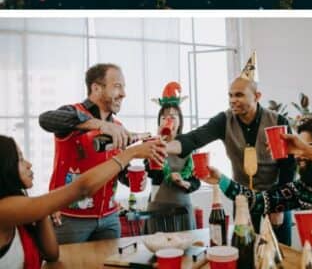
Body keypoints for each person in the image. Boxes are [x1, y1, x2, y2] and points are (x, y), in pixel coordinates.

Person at [204, 115, 312, 269]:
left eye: (302, 147)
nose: (296, 155)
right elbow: (256, 201)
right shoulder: (302, 188)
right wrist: (221, 179)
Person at [164, 53, 296, 244]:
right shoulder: (224, 120)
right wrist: (165, 146)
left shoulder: (278, 121)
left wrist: (279, 207)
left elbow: (288, 168)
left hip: (275, 199)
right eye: (230, 95)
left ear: (257, 96)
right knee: (245, 252)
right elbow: (195, 138)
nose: (233, 100)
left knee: (280, 256)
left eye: (239, 95)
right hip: (242, 201)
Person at [0, 134, 164, 267]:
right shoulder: (4, 209)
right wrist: (131, 153)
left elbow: (51, 254)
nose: (29, 164)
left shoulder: (22, 204)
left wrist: (42, 210)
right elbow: (82, 189)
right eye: (20, 159)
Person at [38, 63, 149, 243]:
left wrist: (131, 178)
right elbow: (45, 119)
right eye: (117, 86)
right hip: (69, 218)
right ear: (96, 88)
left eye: (124, 87)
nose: (123, 93)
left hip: (110, 219)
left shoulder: (118, 128)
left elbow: (118, 170)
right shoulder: (72, 113)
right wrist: (99, 124)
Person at [144, 83, 200, 233]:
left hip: (182, 207)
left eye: (173, 117)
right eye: (164, 117)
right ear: (159, 121)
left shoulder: (189, 145)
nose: (168, 120)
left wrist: (183, 182)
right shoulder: (151, 144)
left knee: (184, 251)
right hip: (157, 207)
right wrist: (157, 142)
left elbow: (197, 181)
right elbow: (151, 173)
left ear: (180, 121)